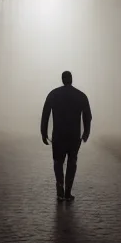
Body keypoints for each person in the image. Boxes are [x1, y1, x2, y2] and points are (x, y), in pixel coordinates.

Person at [40, 71, 92, 202]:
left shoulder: (53, 94)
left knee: (58, 162)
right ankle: (68, 191)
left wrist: (43, 133)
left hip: (58, 136)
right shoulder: (81, 96)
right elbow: (88, 116)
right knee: (72, 162)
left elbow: (45, 114)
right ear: (71, 79)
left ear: (62, 80)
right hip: (74, 136)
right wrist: (86, 133)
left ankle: (60, 189)